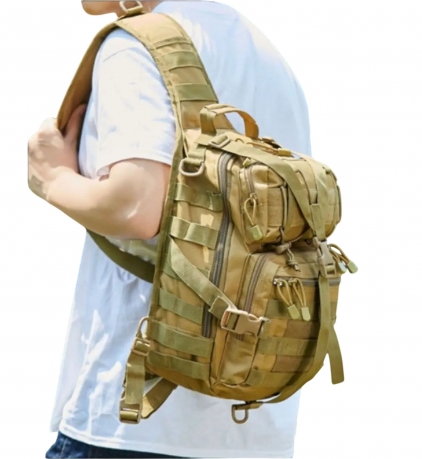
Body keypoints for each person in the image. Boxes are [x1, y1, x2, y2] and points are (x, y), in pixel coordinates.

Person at [28, 1, 311, 457]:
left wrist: (52, 178)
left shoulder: (136, 45)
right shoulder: (262, 51)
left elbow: (135, 206)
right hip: (253, 425)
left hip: (135, 418)